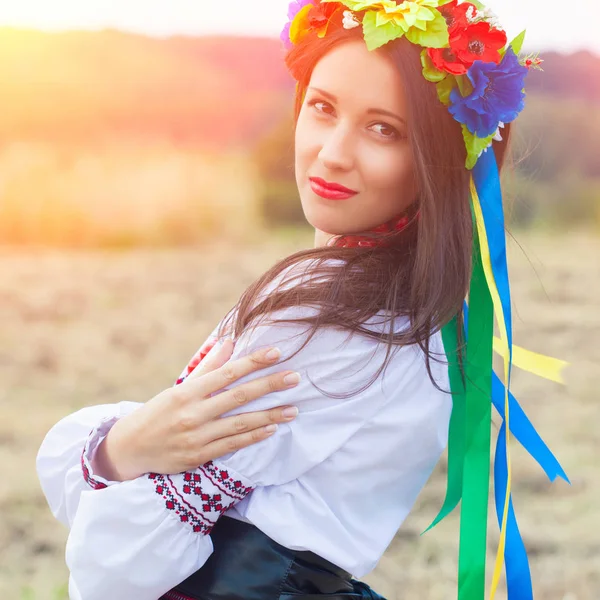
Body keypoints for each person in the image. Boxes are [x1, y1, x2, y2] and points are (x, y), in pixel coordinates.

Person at [36, 2, 566, 600]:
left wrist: (117, 449)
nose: (333, 152)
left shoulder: (323, 315)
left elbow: (114, 574)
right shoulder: (428, 313)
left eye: (384, 129)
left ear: (437, 160)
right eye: (322, 107)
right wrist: (127, 445)